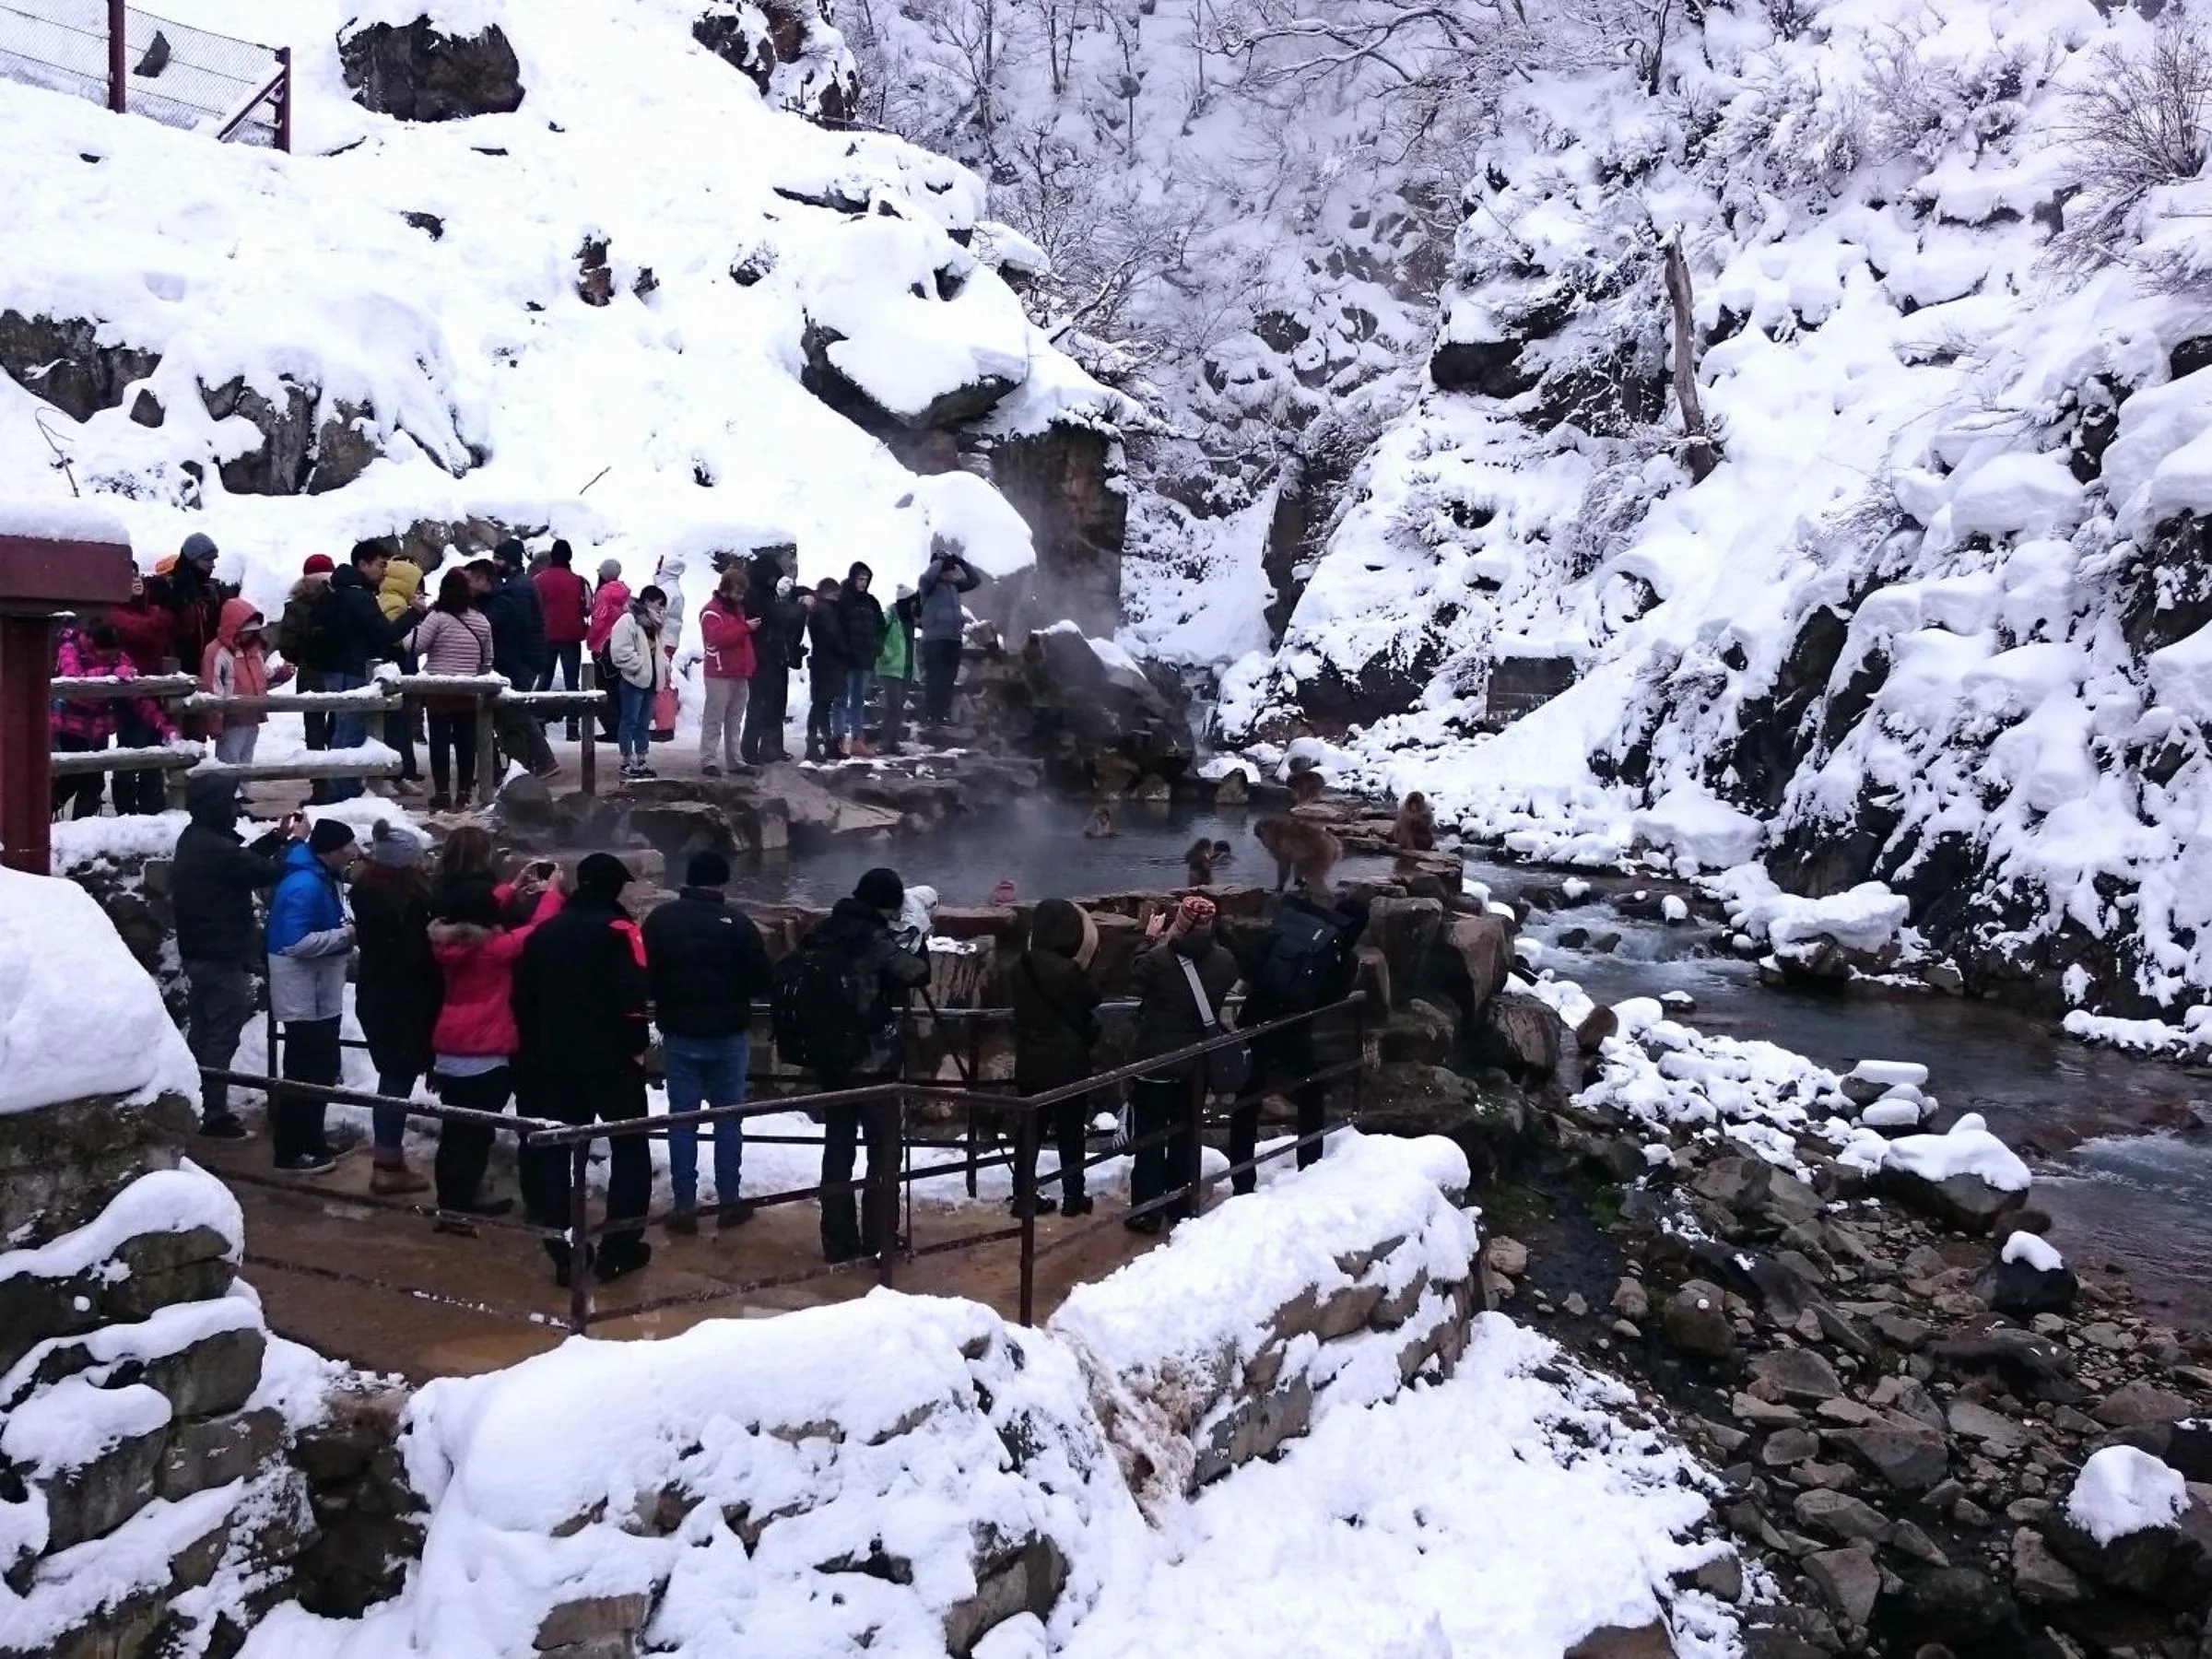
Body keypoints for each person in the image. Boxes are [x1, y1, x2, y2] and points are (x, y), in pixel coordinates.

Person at [512, 853, 654, 1288]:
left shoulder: (544, 934)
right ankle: (619, 1249)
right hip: (609, 1060)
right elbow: (633, 1000)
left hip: (550, 1059)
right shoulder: (620, 931)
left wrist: (533, 1050)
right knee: (629, 1149)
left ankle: (565, 1251)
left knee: (555, 1151)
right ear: (616, 889)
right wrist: (636, 1049)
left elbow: (522, 999)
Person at [799, 867, 930, 1262]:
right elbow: (917, 973)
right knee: (884, 1150)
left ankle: (837, 1242)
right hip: (873, 1064)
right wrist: (918, 934)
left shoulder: (824, 930)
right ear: (886, 905)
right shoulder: (873, 939)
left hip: (830, 1060)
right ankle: (879, 1237)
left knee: (838, 1149)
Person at [426, 859, 566, 1227]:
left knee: (455, 1132)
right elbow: (538, 930)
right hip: (482, 1054)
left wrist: (513, 885)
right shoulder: (494, 949)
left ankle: (451, 1202)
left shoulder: (447, 942)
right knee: (473, 1136)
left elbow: (476, 911)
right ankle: (458, 1210)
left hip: (449, 1048)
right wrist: (552, 894)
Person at [643, 850, 771, 1233]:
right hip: (728, 1035)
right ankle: (730, 1201)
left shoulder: (661, 920)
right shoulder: (739, 923)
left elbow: (644, 975)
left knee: (682, 1120)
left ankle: (685, 1206)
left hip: (680, 1034)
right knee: (727, 1119)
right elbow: (762, 981)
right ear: (722, 883)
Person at [172, 778, 301, 1139]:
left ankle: (191, 1102)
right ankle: (212, 1113)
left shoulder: (195, 839)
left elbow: (243, 865)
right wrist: (294, 844)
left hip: (200, 953)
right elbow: (267, 871)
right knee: (221, 1036)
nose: (238, 811)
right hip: (219, 956)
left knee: (201, 1032)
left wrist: (276, 839)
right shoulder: (214, 848)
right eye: (232, 804)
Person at [1227, 893, 1368, 1194]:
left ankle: (1242, 1182)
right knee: (1311, 1093)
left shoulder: (1296, 929)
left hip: (1256, 1019)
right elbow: (1329, 999)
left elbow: (1257, 963)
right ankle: (1310, 1167)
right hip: (1293, 1029)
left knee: (1247, 1100)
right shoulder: (1344, 955)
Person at [1124, 894, 1240, 1233]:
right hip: (1196, 1066)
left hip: (1156, 1064)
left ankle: (1147, 1210)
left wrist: (1149, 937)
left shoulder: (1159, 959)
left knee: (1150, 1137)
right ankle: (1182, 1204)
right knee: (1186, 1134)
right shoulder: (1225, 962)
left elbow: (1135, 975)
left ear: (1180, 923)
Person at [265, 818, 361, 1174]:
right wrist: (347, 937)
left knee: (320, 1070)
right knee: (303, 1072)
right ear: (333, 850)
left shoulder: (323, 876)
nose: (355, 852)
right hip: (303, 995)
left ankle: (312, 1139)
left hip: (320, 992)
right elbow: (294, 943)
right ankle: (290, 1151)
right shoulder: (304, 885)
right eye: (350, 846)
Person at [349, 821, 439, 1195]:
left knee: (393, 1076)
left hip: (377, 996)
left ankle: (389, 1158)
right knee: (396, 1080)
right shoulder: (404, 905)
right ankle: (386, 1164)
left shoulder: (368, 891)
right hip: (402, 1001)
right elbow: (413, 956)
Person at [1009, 898, 1102, 1218]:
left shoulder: (1020, 966)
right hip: (1068, 1065)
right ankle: (1073, 1196)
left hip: (1030, 1062)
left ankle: (1022, 1196)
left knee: (1029, 1132)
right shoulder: (1068, 970)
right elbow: (1092, 999)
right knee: (1071, 1132)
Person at [50, 619, 180, 819]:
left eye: (114, 655)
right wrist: (110, 673)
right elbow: (73, 681)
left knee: (94, 783)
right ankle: (40, 816)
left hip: (99, 727)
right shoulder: (70, 649)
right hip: (70, 725)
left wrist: (162, 724)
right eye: (107, 655)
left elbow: (137, 696)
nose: (111, 659)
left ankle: (84, 830)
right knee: (70, 777)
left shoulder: (119, 658)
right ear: (93, 644)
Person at [327, 542, 426, 802]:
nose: (385, 571)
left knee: (343, 730)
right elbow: (384, 633)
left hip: (341, 667)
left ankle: (340, 788)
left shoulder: (342, 592)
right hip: (353, 668)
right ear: (363, 564)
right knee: (350, 732)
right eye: (381, 564)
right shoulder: (359, 596)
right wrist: (413, 614)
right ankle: (344, 792)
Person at [404, 570, 494, 810]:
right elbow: (487, 660)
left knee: (440, 742)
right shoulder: (480, 620)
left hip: (439, 689)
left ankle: (442, 792)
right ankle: (464, 791)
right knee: (466, 742)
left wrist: (413, 625)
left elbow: (416, 647)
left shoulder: (437, 617)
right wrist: (476, 677)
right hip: (468, 689)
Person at [484, 539, 557, 779]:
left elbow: (514, 625)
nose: (495, 563)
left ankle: (532, 764)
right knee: (514, 712)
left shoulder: (517, 589)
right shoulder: (518, 585)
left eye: (499, 559)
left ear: (511, 561)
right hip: (522, 659)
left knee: (515, 713)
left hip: (520, 661)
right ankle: (531, 763)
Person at [108, 570, 177, 815]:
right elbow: (142, 632)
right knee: (131, 750)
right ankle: (125, 810)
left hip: (153, 688)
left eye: (136, 574)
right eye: (129, 574)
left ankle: (152, 808)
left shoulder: (148, 610)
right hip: (128, 692)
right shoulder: (115, 611)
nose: (135, 579)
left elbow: (157, 637)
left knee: (154, 748)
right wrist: (165, 611)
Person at [274, 555, 341, 792]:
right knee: (338, 723)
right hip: (338, 670)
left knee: (313, 726)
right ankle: (338, 775)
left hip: (310, 671)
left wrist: (300, 657)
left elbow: (287, 645)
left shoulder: (296, 605)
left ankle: (319, 782)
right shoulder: (340, 599)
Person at [201, 599, 296, 765]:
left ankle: (243, 791)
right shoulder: (216, 652)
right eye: (246, 631)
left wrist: (280, 674)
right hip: (231, 719)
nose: (249, 635)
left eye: (252, 631)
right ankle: (227, 791)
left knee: (246, 760)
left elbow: (263, 675)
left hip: (252, 715)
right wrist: (215, 722)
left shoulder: (253, 650)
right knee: (229, 761)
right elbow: (212, 688)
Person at [696, 564, 757, 777]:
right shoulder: (711, 612)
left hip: (739, 672)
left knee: (734, 720)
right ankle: (708, 759)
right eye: (737, 592)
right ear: (726, 589)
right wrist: (746, 627)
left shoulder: (736, 611)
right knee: (714, 718)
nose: (740, 598)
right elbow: (719, 638)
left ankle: (735, 759)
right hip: (719, 673)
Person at [607, 584, 670, 780]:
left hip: (650, 680)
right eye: (659, 604)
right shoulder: (628, 620)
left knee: (643, 723)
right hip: (634, 679)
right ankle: (626, 759)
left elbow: (658, 650)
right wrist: (638, 665)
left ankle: (641, 758)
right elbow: (619, 650)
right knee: (630, 720)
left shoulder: (655, 625)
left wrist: (664, 667)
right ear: (647, 601)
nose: (661, 609)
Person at [374, 552, 425, 794]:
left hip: (397, 669)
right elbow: (394, 637)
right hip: (393, 669)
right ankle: (392, 774)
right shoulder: (394, 604)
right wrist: (415, 617)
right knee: (394, 724)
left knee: (400, 724)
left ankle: (399, 773)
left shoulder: (390, 599)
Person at [916, 544, 979, 733]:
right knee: (936, 678)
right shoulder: (928, 586)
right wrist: (940, 561)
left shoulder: (954, 587)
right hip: (935, 638)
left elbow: (975, 580)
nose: (952, 574)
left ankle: (942, 714)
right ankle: (930, 716)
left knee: (949, 679)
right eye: (948, 571)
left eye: (953, 571)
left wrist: (960, 562)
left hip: (953, 638)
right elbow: (927, 577)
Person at [147, 532, 228, 678]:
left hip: (202, 666)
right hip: (173, 669)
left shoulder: (207, 590)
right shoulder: (168, 588)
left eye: (214, 560)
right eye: (208, 560)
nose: (213, 565)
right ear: (193, 560)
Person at [739, 552, 794, 764]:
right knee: (758, 704)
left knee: (776, 704)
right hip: (760, 656)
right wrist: (796, 607)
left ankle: (772, 747)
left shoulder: (770, 594)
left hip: (775, 655)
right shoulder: (754, 595)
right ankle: (750, 748)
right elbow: (774, 616)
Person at [534, 539, 592, 738]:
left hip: (545, 635)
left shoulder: (539, 580)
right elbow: (587, 608)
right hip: (571, 635)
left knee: (544, 680)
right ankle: (573, 729)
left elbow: (533, 609)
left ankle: (539, 725)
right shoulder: (578, 581)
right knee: (572, 683)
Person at [834, 562, 885, 759]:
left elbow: (881, 626)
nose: (863, 583)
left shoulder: (871, 602)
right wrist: (843, 650)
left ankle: (857, 740)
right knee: (840, 700)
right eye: (860, 579)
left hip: (864, 659)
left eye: (866, 579)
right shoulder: (844, 600)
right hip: (847, 659)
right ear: (853, 578)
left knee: (858, 700)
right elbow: (837, 628)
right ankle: (838, 739)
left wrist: (876, 646)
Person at [803, 578, 847, 762]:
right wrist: (846, 652)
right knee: (821, 705)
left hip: (821, 661)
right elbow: (832, 636)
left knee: (821, 705)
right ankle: (816, 744)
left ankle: (823, 743)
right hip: (828, 663)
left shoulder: (818, 609)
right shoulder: (826, 610)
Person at [586, 558, 630, 745]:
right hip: (620, 644)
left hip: (602, 646)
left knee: (604, 688)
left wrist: (590, 640)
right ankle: (622, 727)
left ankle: (611, 728)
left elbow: (599, 620)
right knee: (619, 687)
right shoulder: (625, 592)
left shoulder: (603, 594)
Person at [876, 582, 918, 756]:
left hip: (906, 669)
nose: (915, 604)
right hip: (891, 669)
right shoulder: (891, 616)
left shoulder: (909, 620)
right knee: (893, 707)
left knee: (899, 709)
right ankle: (886, 743)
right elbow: (876, 633)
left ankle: (893, 742)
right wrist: (885, 655)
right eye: (912, 601)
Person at [652, 556, 688, 743]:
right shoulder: (675, 589)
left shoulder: (666, 590)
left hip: (663, 640)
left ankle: (665, 726)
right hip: (671, 639)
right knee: (663, 679)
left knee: (661, 682)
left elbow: (659, 615)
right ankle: (666, 721)